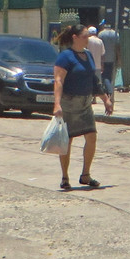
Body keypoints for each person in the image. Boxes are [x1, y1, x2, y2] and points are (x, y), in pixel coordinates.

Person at [52, 24, 114, 190]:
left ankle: (85, 175)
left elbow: (94, 80)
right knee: (68, 140)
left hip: (85, 103)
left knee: (92, 136)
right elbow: (58, 81)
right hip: (69, 103)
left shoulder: (88, 55)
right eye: (85, 36)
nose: (88, 39)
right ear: (75, 37)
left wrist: (105, 99)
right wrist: (57, 104)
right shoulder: (65, 57)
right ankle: (65, 177)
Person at [97, 21, 120, 98]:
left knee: (104, 76)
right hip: (112, 58)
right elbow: (117, 48)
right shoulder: (115, 34)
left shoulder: (101, 34)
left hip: (103, 58)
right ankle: (108, 91)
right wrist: (119, 58)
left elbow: (99, 47)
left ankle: (109, 91)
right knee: (109, 76)